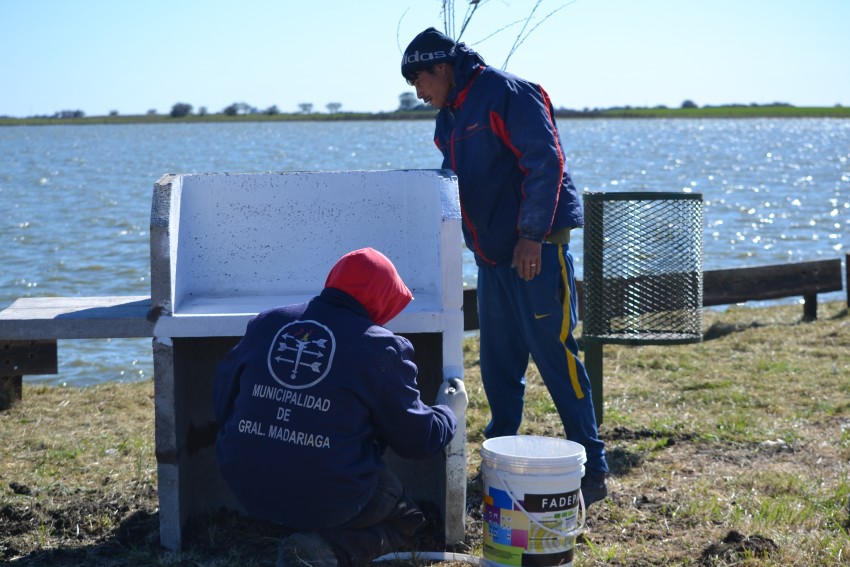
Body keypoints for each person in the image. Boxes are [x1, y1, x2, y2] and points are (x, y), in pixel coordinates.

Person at [400, 27, 609, 506]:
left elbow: (546, 161)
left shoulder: (509, 92)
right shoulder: (448, 119)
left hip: (536, 249)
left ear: (442, 67)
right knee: (496, 364)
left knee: (556, 357)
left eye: (420, 80)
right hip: (492, 257)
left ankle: (594, 466)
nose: (419, 93)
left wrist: (532, 235)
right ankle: (500, 457)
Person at [213, 247, 468, 567]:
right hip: (329, 495)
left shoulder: (267, 323)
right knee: (406, 518)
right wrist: (448, 410)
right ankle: (322, 548)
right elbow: (418, 440)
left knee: (303, 481)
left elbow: (221, 403)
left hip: (244, 483)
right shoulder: (381, 347)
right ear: (383, 299)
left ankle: (295, 527)